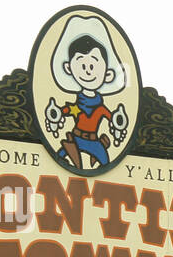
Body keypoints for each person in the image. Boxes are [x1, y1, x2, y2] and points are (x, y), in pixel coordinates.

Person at [42, 14, 130, 170]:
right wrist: (56, 114)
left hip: (95, 142)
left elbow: (114, 120)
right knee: (61, 155)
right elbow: (66, 110)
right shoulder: (77, 106)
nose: (87, 70)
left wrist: (118, 122)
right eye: (81, 64)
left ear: (108, 74)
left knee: (104, 162)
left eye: (93, 65)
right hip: (75, 138)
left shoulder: (101, 108)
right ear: (68, 68)